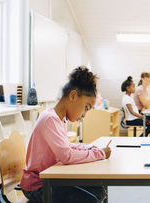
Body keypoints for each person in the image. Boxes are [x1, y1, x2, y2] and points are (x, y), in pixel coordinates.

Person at [20, 66, 111, 203]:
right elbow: (66, 155)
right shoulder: (50, 119)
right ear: (73, 95)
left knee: (99, 189)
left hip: (50, 178)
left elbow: (66, 146)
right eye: (86, 107)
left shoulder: (59, 118)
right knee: (92, 197)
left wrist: (88, 148)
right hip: (38, 185)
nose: (84, 115)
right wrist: (100, 154)